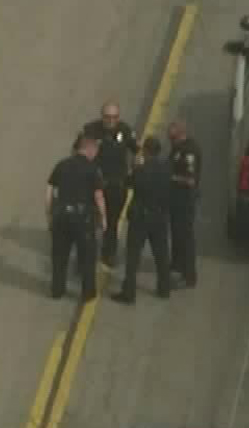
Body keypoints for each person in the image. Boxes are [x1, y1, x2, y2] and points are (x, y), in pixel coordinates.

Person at [47, 135, 107, 300]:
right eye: (96, 150)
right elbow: (98, 196)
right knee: (87, 259)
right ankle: (88, 294)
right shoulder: (93, 169)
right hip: (82, 219)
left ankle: (57, 291)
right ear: (90, 149)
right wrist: (103, 218)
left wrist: (49, 215)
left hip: (61, 216)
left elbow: (50, 192)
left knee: (59, 257)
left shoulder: (62, 165)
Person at [113, 136, 173, 302]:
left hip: (141, 216)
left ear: (146, 150)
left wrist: (134, 167)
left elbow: (129, 183)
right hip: (160, 216)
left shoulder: (141, 168)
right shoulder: (167, 167)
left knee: (133, 256)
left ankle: (129, 292)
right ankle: (164, 288)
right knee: (161, 254)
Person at [81, 102, 138, 266]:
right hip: (94, 184)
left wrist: (133, 172)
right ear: (102, 116)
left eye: (114, 117)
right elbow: (78, 151)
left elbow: (138, 152)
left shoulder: (125, 131)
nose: (111, 121)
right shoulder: (91, 130)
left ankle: (109, 254)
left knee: (112, 223)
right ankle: (85, 257)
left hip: (116, 186)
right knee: (89, 221)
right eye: (107, 117)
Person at [167, 120, 202, 289]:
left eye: (172, 137)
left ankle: (189, 276)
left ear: (181, 133)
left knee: (185, 237)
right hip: (175, 199)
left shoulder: (190, 152)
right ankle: (176, 267)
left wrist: (169, 177)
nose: (170, 140)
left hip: (185, 200)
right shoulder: (177, 148)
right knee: (176, 234)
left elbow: (189, 179)